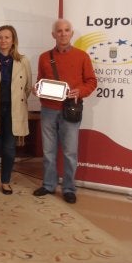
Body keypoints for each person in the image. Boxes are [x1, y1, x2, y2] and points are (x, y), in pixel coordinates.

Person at [32, 19, 97, 204]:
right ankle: (48, 185)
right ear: (53, 34)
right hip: (48, 110)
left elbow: (91, 81)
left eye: (66, 30)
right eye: (59, 31)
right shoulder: (44, 57)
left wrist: (80, 91)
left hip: (71, 110)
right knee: (48, 151)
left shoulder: (82, 56)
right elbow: (40, 80)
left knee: (70, 153)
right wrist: (37, 89)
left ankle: (68, 188)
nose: (63, 34)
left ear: (71, 33)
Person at [0, 25, 32, 195]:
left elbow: (27, 87)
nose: (3, 40)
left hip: (13, 110)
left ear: (13, 40)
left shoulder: (23, 61)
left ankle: (6, 181)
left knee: (9, 149)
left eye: (7, 37)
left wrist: (16, 101)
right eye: (0, 37)